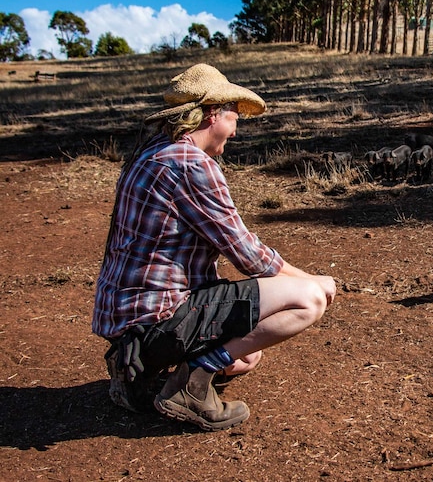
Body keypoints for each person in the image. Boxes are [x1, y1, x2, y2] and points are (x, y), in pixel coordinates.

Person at [93, 63, 336, 431]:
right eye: (233, 115)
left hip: (126, 319)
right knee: (307, 300)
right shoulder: (191, 164)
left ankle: (136, 368)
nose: (235, 129)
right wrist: (314, 281)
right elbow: (248, 255)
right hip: (158, 318)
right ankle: (188, 387)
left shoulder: (151, 152)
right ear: (211, 114)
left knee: (246, 356)